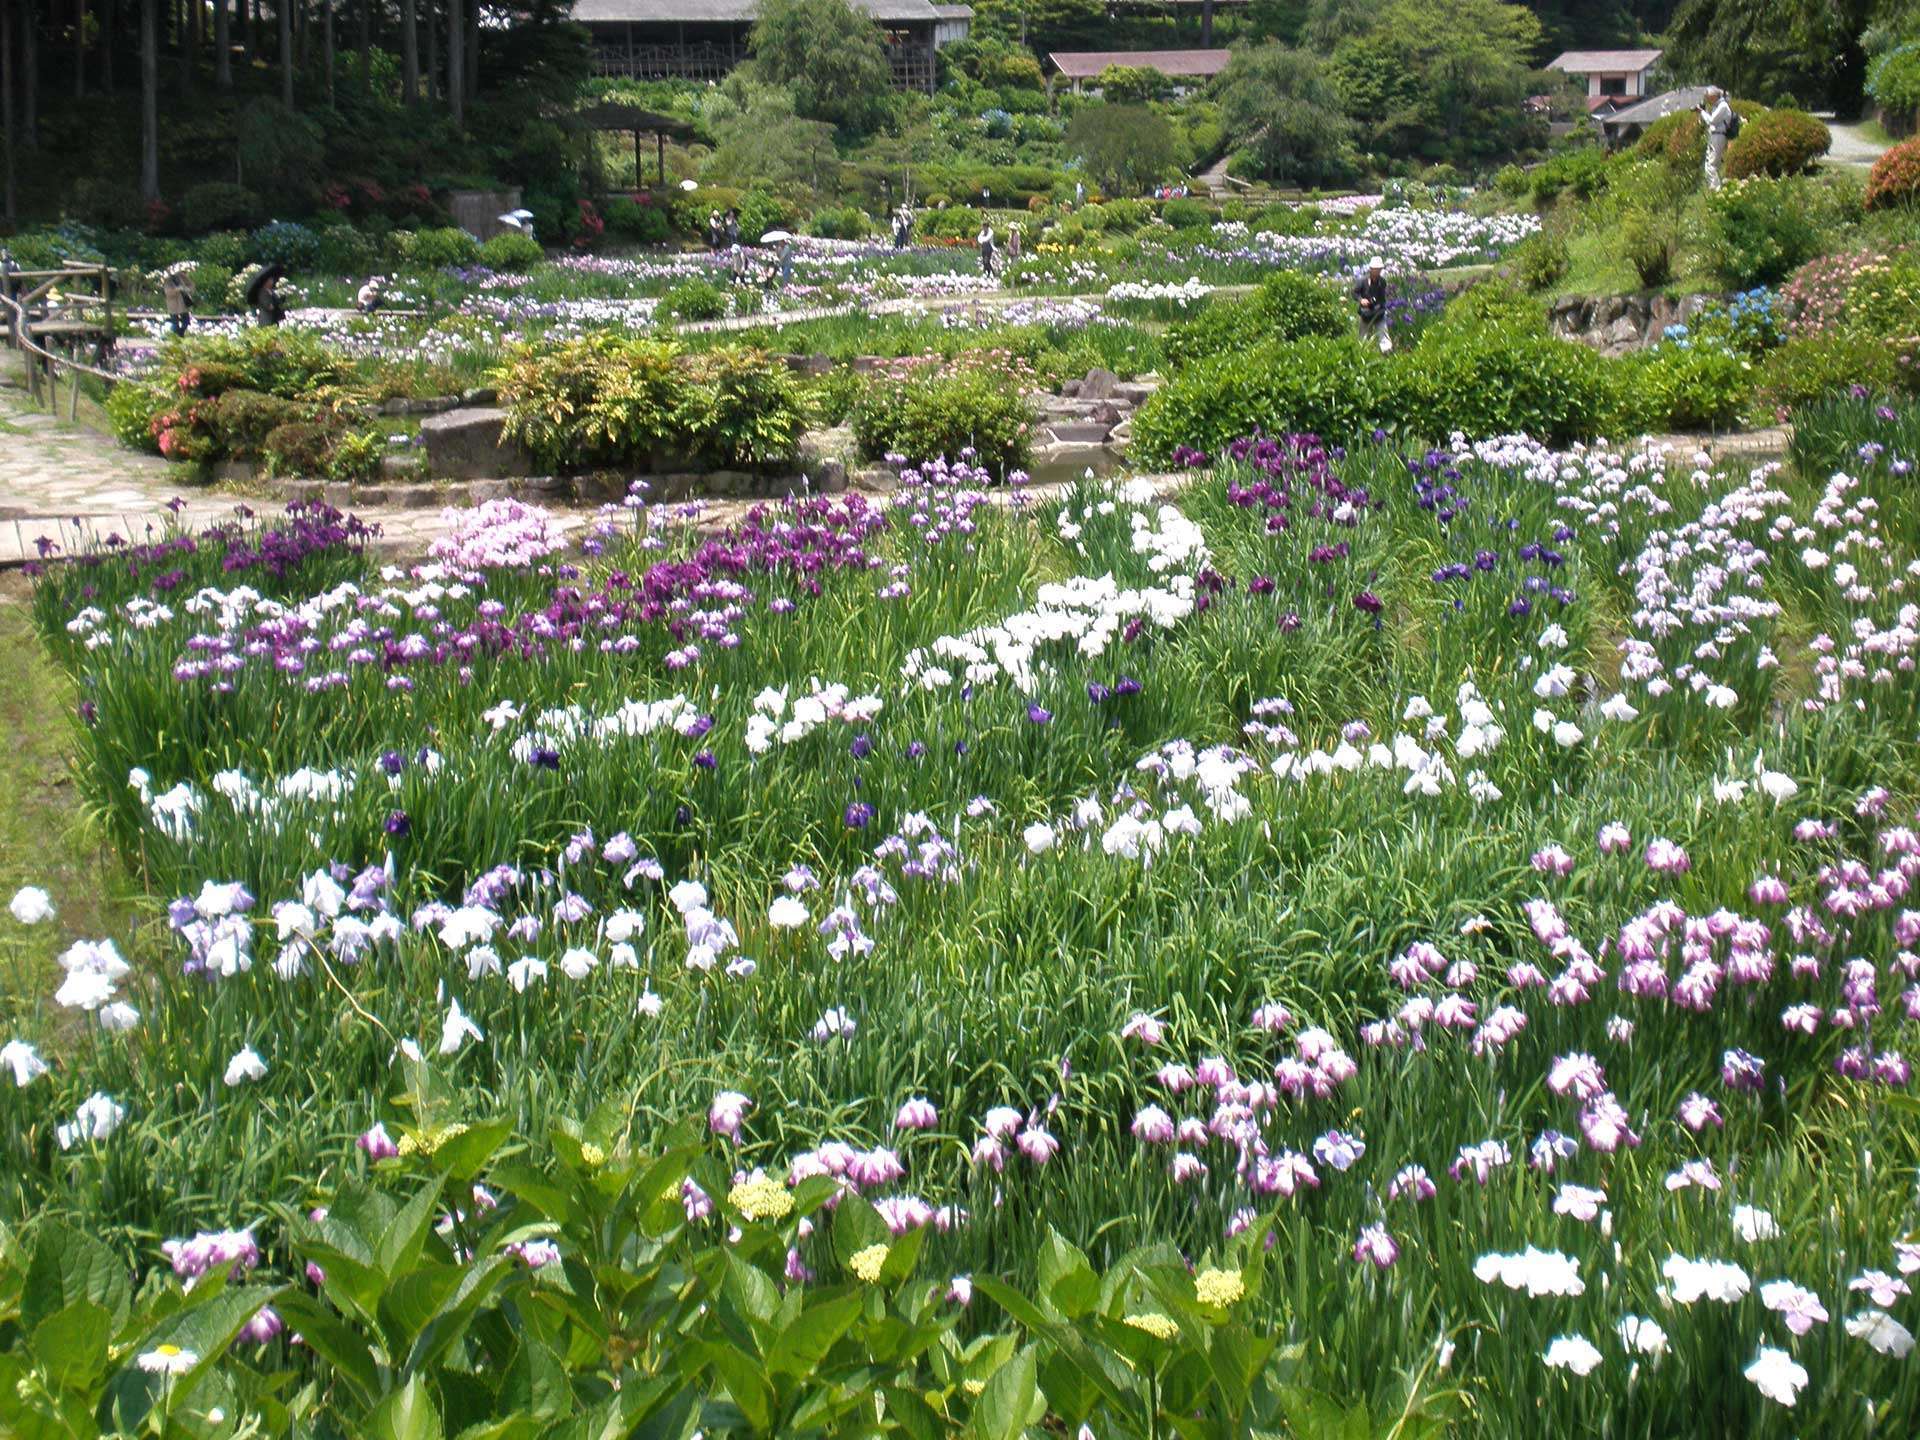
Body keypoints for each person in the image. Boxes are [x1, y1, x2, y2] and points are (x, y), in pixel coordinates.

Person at [1352, 256, 1390, 353]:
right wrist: (1361, 300)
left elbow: (1382, 297)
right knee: (1363, 338)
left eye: (1379, 269)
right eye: (1375, 269)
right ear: (1371, 269)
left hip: (1379, 312)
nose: (1377, 271)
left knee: (1384, 336)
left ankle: (1387, 354)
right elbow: (1354, 293)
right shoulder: (1362, 281)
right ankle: (1363, 354)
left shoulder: (1382, 282)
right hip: (1366, 313)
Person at [1699, 88, 1733, 191]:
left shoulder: (1722, 106)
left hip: (1719, 136)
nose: (1707, 100)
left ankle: (1716, 190)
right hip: (1714, 136)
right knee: (1711, 164)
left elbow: (1712, 120)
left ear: (1713, 96)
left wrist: (1702, 112)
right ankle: (1715, 187)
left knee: (1711, 165)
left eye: (1708, 98)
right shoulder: (1716, 106)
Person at [162, 271, 195, 336]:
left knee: (186, 321)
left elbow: (191, 286)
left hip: (183, 304)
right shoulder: (168, 281)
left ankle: (181, 333)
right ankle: (176, 336)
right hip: (173, 305)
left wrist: (186, 289)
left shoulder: (183, 277)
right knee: (175, 323)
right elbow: (168, 292)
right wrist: (177, 289)